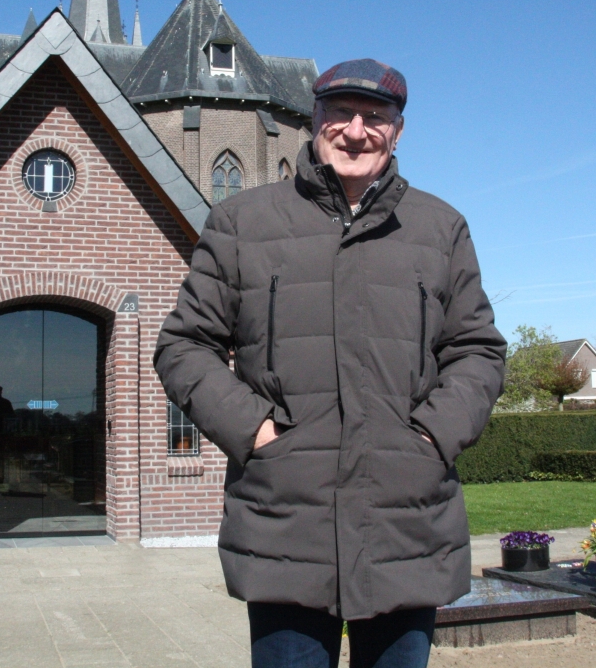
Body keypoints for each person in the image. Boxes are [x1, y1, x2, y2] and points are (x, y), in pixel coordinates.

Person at [155, 58, 506, 668]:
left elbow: (477, 349)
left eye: (375, 117)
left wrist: (430, 436)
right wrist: (257, 433)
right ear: (315, 121)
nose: (356, 129)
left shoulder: (440, 228)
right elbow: (185, 345)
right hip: (287, 522)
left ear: (398, 131)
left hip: (405, 523)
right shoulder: (243, 222)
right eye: (340, 113)